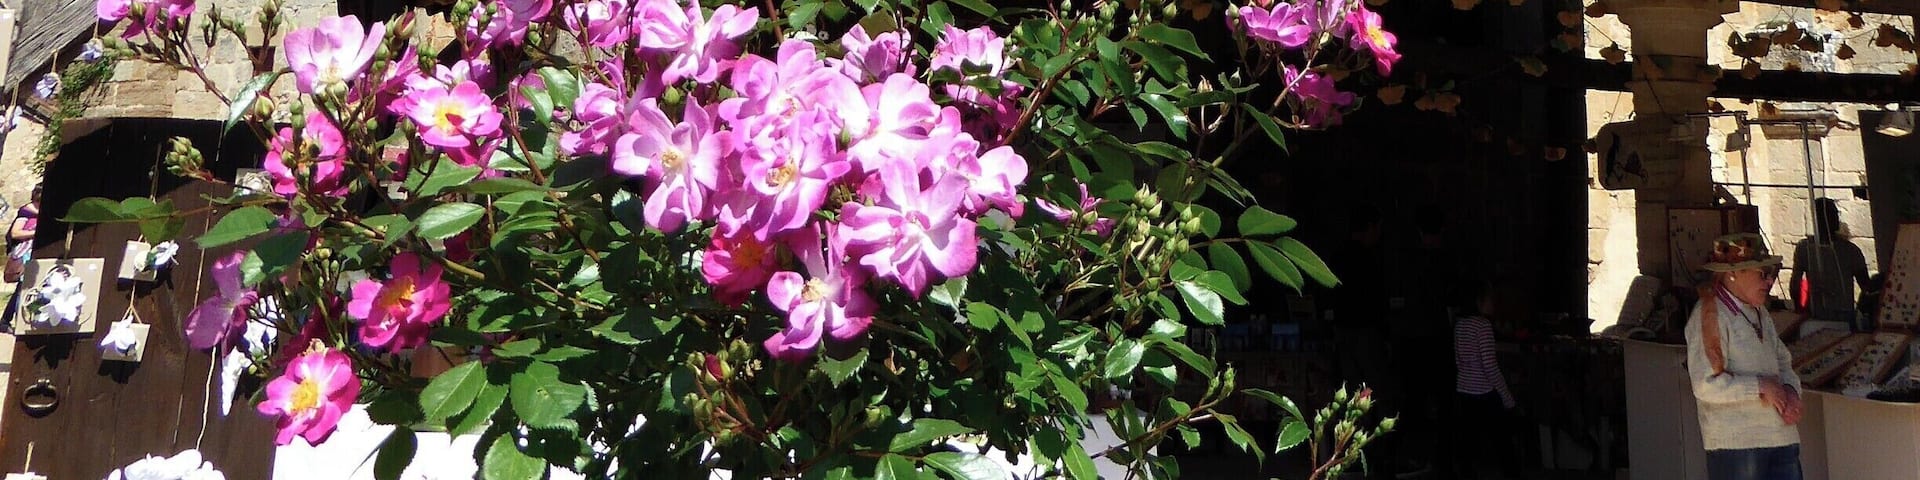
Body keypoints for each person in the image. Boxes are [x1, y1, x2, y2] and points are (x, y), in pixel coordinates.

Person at [1687, 233, 1804, 480]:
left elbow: (1783, 361)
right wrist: (1760, 386)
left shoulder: (1760, 313)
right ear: (1733, 274)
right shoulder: (1710, 315)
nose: (1770, 280)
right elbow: (1704, 384)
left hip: (1780, 437)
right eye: (1762, 274)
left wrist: (1791, 391)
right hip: (1737, 445)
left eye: (1771, 272)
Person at [1450, 279, 1517, 480]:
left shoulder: (1460, 324)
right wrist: (1507, 396)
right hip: (1484, 393)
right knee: (1503, 442)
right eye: (1489, 299)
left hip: (1464, 390)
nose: (1493, 303)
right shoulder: (1483, 326)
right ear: (1478, 301)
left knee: (1468, 442)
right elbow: (1490, 366)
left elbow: (1458, 360)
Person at [1789, 198, 1870, 326]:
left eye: (1835, 215)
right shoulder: (1806, 248)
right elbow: (1866, 287)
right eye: (1832, 215)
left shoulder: (1850, 250)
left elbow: (1866, 288)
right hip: (1824, 314)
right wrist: (1801, 311)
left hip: (1838, 315)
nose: (1836, 219)